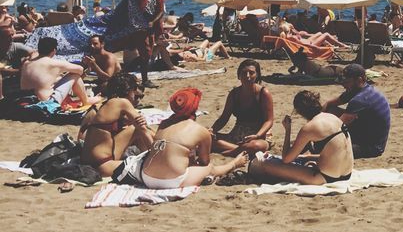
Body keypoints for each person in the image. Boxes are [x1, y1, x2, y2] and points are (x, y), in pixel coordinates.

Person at [114, 87, 246, 188]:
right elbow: (204, 162)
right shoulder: (200, 131)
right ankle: (235, 164)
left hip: (146, 176)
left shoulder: (164, 124)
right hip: (171, 181)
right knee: (209, 169)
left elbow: (156, 149)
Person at [247, 90, 354, 185]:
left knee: (265, 164)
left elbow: (286, 159)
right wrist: (306, 158)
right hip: (347, 174)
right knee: (303, 157)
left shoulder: (309, 127)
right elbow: (333, 151)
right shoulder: (333, 117)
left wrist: (288, 130)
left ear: (300, 111)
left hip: (325, 177)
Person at [103, 0, 166, 87]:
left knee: (146, 54)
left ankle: (143, 79)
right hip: (133, 26)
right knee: (118, 45)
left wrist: (152, 22)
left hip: (146, 29)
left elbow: (161, 12)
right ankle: (119, 72)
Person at [78, 72, 154, 176]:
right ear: (129, 91)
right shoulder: (122, 102)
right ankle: (156, 157)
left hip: (91, 161)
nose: (136, 97)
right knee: (138, 129)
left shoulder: (106, 105)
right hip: (104, 163)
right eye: (135, 92)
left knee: (136, 129)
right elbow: (143, 129)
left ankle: (155, 154)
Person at [323, 64, 390, 159]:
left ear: (359, 80)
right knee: (331, 110)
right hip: (365, 131)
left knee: (328, 150)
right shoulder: (359, 90)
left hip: (371, 147)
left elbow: (337, 127)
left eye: (346, 82)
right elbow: (329, 104)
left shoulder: (360, 99)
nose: (344, 85)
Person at [210, 59, 274, 155]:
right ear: (239, 76)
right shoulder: (234, 94)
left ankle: (235, 150)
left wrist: (257, 135)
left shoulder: (263, 93)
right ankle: (238, 150)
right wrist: (212, 130)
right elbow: (224, 117)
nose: (247, 76)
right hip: (237, 134)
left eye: (251, 73)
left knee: (256, 146)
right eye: (244, 73)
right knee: (206, 138)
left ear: (257, 75)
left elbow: (269, 120)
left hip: (259, 135)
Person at [20, 37, 93, 108]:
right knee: (74, 76)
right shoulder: (54, 63)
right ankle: (86, 100)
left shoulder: (26, 63)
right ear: (54, 50)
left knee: (55, 79)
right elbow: (80, 70)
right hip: (46, 102)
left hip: (26, 99)